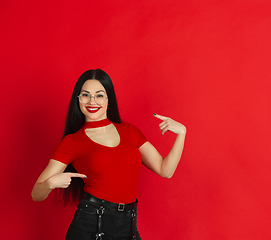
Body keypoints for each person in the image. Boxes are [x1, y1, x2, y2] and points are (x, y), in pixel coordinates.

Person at [31, 69, 186, 240]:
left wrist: (181, 134)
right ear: (78, 99)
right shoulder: (72, 142)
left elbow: (166, 170)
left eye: (99, 95)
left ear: (108, 99)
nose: (92, 101)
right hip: (90, 225)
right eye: (85, 95)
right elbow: (36, 194)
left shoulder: (130, 132)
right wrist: (51, 183)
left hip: (128, 225)